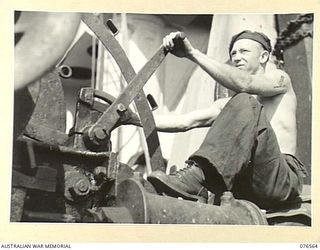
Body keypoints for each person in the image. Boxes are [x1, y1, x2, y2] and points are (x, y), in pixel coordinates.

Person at [146, 30, 308, 209]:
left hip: (279, 180)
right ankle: (199, 182)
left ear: (263, 56)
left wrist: (192, 54)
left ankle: (199, 178)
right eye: (233, 53)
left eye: (244, 51)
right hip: (246, 182)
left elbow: (245, 84)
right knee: (242, 100)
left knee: (244, 99)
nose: (236, 57)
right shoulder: (236, 106)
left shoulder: (280, 79)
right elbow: (184, 122)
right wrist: (132, 116)